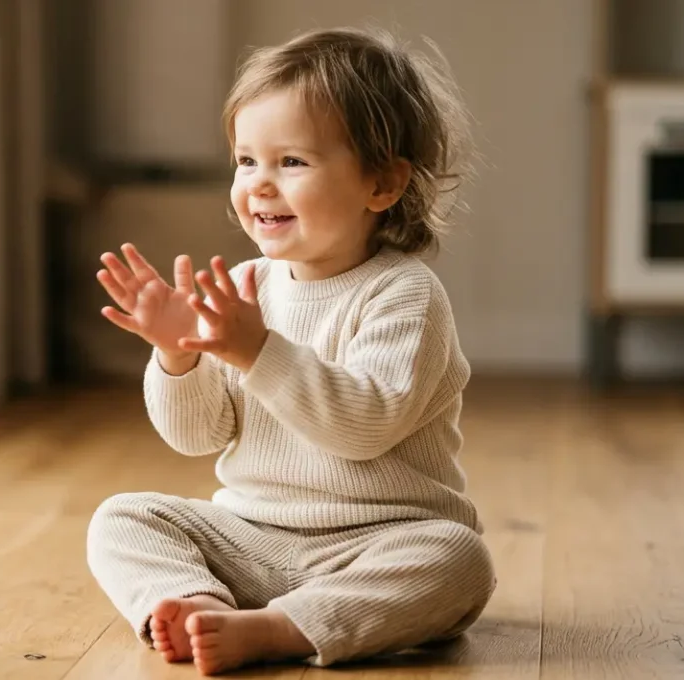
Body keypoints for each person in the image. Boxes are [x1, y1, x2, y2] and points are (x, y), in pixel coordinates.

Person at [86, 26, 496, 676]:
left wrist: (257, 351)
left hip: (376, 542)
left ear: (383, 185)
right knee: (124, 517)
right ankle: (197, 606)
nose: (261, 185)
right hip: (251, 535)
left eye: (292, 162)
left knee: (458, 560)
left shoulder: (404, 296)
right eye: (246, 161)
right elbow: (197, 437)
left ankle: (280, 629)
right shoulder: (246, 289)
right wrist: (178, 357)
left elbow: (364, 427)